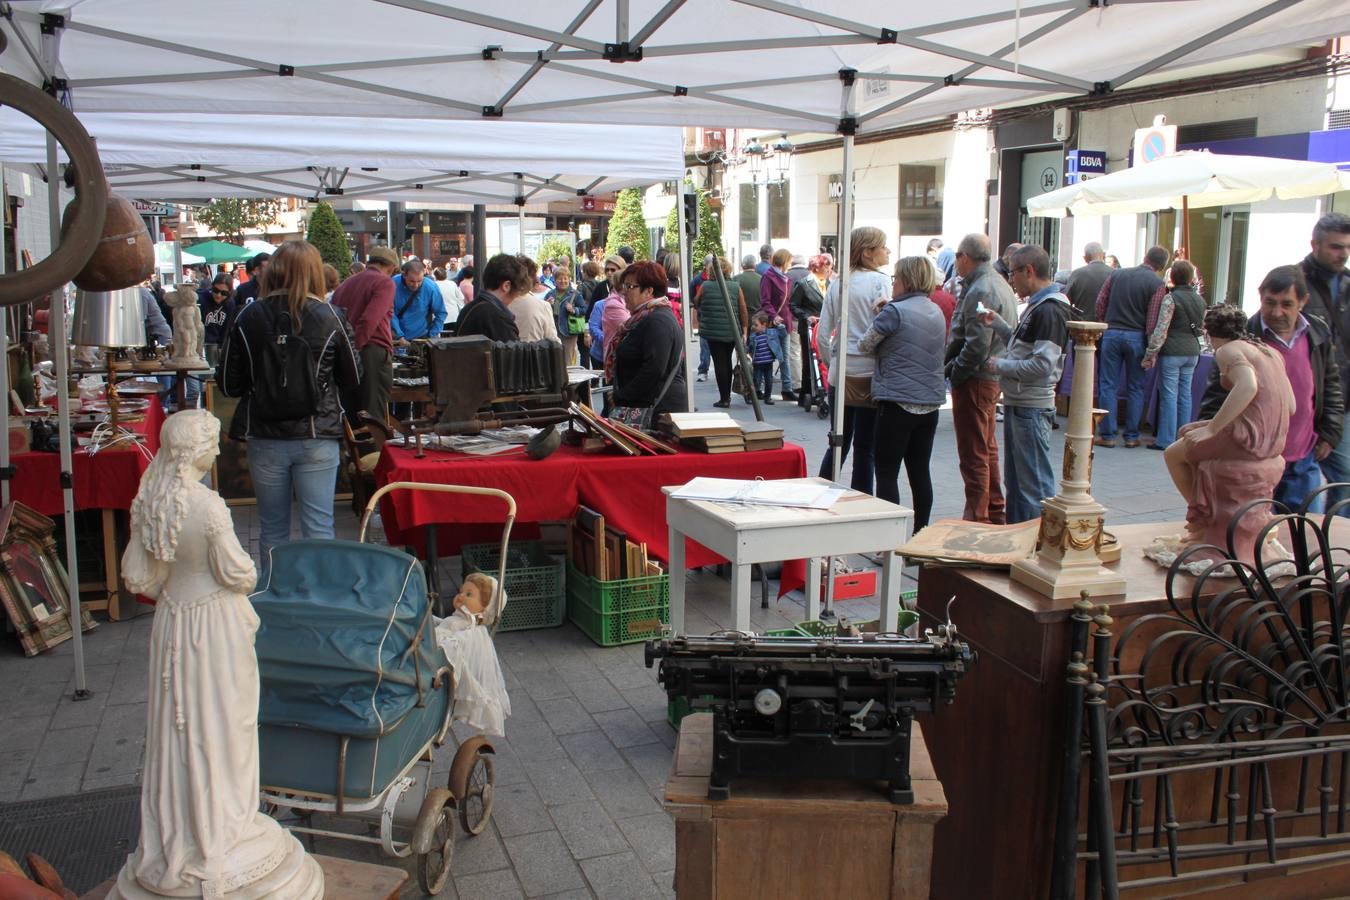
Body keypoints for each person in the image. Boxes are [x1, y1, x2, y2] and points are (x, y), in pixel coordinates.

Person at [217, 240, 361, 572]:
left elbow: (228, 383)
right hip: (316, 433)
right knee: (319, 526)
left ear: (273, 270)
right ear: (314, 272)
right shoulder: (330, 316)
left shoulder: (248, 315)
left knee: (272, 528)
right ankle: (317, 600)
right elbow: (353, 376)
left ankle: (273, 599)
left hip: (265, 435)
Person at [1198, 266, 1342, 514]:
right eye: (1270, 302)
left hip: (1303, 458)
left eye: (1286, 304)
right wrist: (1210, 437)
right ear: (1260, 296)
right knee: (1249, 535)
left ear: (1302, 301)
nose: (1277, 312)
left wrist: (1329, 433)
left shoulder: (1317, 333)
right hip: (1253, 460)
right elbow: (1217, 397)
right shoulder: (1241, 337)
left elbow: (1330, 384)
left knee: (1303, 535)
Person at [1164, 305, 1293, 567]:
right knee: (1188, 432)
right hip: (1272, 440)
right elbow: (1291, 405)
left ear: (1208, 331)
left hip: (1248, 441)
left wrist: (1213, 429)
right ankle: (1207, 516)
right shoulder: (1269, 351)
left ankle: (1203, 519)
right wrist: (1213, 424)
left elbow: (1248, 385)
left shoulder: (1228, 350)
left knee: (1173, 454)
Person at [978, 245, 1071, 524]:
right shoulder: (1038, 306)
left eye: (1012, 273)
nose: (1010, 280)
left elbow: (1042, 365)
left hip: (1032, 406)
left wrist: (1000, 366)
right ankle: (1019, 542)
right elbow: (1024, 348)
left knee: (1032, 485)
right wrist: (1001, 325)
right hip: (1022, 404)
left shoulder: (1050, 310)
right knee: (1018, 483)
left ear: (1028, 271)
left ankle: (1033, 544)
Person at [857, 256, 946, 530]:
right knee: (920, 472)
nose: (893, 283)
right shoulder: (935, 310)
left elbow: (865, 344)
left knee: (886, 472)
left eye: (895, 278)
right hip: (929, 403)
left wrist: (882, 313)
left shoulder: (893, 313)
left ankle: (890, 540)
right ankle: (921, 532)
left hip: (897, 401)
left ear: (905, 280)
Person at [945, 233, 1018, 524]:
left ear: (965, 257)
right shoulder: (995, 282)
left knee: (975, 452)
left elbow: (976, 344)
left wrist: (956, 372)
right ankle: (993, 511)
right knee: (986, 448)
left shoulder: (982, 288)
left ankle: (978, 517)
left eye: (958, 259)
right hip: (985, 376)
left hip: (977, 377)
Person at [817, 226, 892, 493]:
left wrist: (831, 362)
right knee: (865, 447)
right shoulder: (880, 282)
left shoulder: (838, 283)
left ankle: (822, 491)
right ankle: (861, 499)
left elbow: (822, 335)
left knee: (838, 441)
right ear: (869, 252)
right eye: (883, 246)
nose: (887, 251)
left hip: (841, 371)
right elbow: (885, 327)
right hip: (870, 372)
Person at [1094, 246, 1169, 448]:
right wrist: (1151, 348)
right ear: (1161, 267)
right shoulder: (1157, 284)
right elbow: (1153, 320)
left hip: (1112, 332)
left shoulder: (1118, 274)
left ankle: (1107, 435)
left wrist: (1104, 321)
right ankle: (1131, 436)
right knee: (1136, 387)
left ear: (1144, 257)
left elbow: (1100, 301)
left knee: (1108, 385)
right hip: (1137, 336)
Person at [1300, 213, 1350, 514]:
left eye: (1346, 247)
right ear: (1315, 245)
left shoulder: (1347, 284)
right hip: (1305, 398)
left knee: (1343, 478)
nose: (1342, 253)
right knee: (1299, 479)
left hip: (1342, 398)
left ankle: (1336, 543)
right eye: (1335, 247)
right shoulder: (1295, 282)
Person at [607, 261, 688, 422]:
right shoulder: (645, 317)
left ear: (649, 291)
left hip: (658, 413)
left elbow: (654, 369)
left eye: (630, 287)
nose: (624, 292)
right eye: (624, 286)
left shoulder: (657, 320)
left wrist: (620, 396)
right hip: (647, 406)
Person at [1141, 259, 1205, 449]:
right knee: (1185, 394)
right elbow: (1202, 328)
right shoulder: (1200, 300)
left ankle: (1166, 439)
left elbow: (1162, 329)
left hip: (1172, 352)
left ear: (1174, 277)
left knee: (1169, 394)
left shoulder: (1171, 298)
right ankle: (1183, 437)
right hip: (1192, 351)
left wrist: (1151, 353)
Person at [331, 246, 397, 419]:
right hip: (370, 350)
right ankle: (374, 446)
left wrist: (348, 350)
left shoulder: (346, 284)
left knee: (351, 407)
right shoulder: (384, 282)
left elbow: (334, 316)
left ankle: (355, 446)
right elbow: (369, 319)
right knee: (372, 411)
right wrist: (357, 347)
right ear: (390, 267)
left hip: (346, 350)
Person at [694, 256, 749, 409]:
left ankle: (724, 398)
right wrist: (744, 330)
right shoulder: (735, 286)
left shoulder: (705, 286)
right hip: (732, 332)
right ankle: (727, 396)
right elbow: (743, 310)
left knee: (720, 363)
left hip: (713, 331)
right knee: (727, 361)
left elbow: (696, 301)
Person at [456, 253, 525, 342]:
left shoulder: (468, 308)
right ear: (506, 286)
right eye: (517, 291)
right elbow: (512, 354)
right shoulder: (499, 319)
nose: (516, 297)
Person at [760, 248, 799, 402]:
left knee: (785, 357)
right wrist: (773, 316)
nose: (791, 263)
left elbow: (788, 303)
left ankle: (787, 388)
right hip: (772, 323)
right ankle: (763, 390)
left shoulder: (785, 278)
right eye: (789, 260)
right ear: (784, 261)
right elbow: (765, 300)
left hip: (785, 323)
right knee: (767, 357)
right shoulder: (769, 277)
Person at [790, 253, 830, 399]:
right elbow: (793, 305)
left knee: (824, 360)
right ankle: (807, 393)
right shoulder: (803, 283)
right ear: (818, 267)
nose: (829, 269)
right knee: (809, 360)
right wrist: (807, 317)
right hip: (809, 327)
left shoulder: (829, 283)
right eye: (826, 266)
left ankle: (824, 388)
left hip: (827, 327)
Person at [391, 258, 447, 343]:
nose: (416, 285)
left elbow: (441, 312)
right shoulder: (393, 284)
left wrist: (432, 334)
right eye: (412, 281)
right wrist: (399, 335)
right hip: (396, 337)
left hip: (421, 337)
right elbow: (389, 311)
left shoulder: (431, 287)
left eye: (420, 281)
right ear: (404, 275)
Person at [511, 255, 560, 343]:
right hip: (534, 355)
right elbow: (554, 343)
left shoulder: (499, 304)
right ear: (530, 279)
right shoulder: (543, 306)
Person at [1065, 241, 1113, 321]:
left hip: (1081, 327)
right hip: (1106, 326)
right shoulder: (1114, 274)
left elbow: (1066, 302)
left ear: (1085, 258)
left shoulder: (1077, 274)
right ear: (1103, 255)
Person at [547, 266, 584, 364]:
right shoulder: (550, 293)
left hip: (568, 331)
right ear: (555, 280)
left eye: (565, 278)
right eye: (559, 278)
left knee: (567, 360)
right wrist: (547, 304)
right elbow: (543, 311)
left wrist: (574, 310)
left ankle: (568, 379)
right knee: (554, 358)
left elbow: (584, 309)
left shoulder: (575, 294)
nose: (562, 281)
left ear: (569, 279)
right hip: (553, 330)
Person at [748, 312, 779, 405]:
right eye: (753, 324)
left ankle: (768, 397)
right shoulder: (753, 337)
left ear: (764, 325)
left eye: (756, 325)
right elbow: (750, 348)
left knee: (769, 381)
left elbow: (781, 332)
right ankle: (752, 395)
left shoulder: (770, 334)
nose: (753, 327)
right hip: (758, 363)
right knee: (756, 381)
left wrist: (778, 324)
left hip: (768, 363)